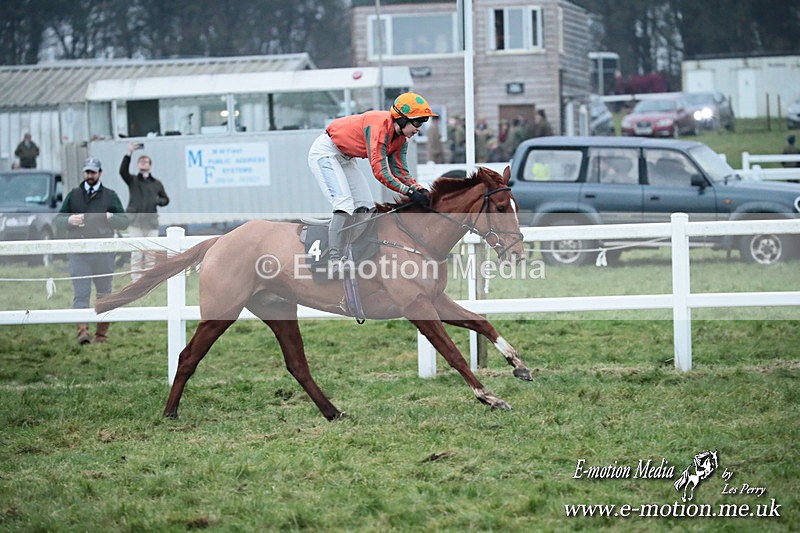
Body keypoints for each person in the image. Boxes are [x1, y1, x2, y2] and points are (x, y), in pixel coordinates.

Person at [308, 92, 437, 275]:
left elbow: (400, 172)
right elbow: (381, 173)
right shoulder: (379, 127)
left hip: (346, 158)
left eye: (422, 123)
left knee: (366, 207)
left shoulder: (402, 140)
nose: (419, 128)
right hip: (325, 153)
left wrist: (419, 189)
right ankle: (335, 260)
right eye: (417, 122)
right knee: (344, 204)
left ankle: (352, 252)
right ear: (401, 119)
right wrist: (409, 192)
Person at [55, 157, 128, 345]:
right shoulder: (73, 195)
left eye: (93, 172)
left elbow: (124, 221)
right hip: (79, 253)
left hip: (104, 253)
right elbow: (58, 220)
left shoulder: (110, 196)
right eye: (87, 172)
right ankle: (82, 332)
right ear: (84, 173)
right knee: (81, 293)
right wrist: (69, 220)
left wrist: (111, 217)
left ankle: (101, 335)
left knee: (104, 294)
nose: (90, 175)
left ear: (100, 173)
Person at [119, 142, 170, 281]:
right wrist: (129, 153)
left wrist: (157, 201)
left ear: (150, 165)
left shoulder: (156, 183)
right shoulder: (133, 180)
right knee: (136, 252)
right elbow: (122, 171)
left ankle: (148, 280)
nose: (143, 163)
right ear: (137, 165)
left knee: (150, 253)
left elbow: (166, 199)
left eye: (145, 161)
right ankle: (136, 280)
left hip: (151, 223)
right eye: (140, 161)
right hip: (135, 222)